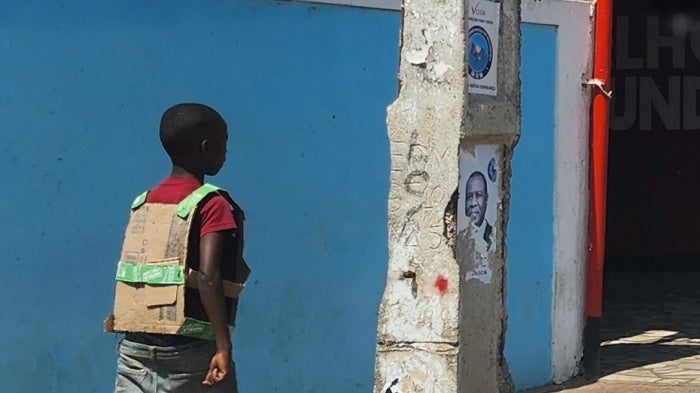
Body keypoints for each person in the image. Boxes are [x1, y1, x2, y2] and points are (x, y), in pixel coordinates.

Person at [114, 103, 242, 392]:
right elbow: (209, 277)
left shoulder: (144, 202)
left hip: (135, 349)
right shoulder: (212, 204)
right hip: (191, 353)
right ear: (207, 148)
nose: (226, 153)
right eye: (224, 144)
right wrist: (223, 346)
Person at [465, 171, 493, 251]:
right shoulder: (461, 236)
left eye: (478, 195)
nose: (473, 203)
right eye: (469, 197)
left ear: (486, 199)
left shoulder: (494, 235)